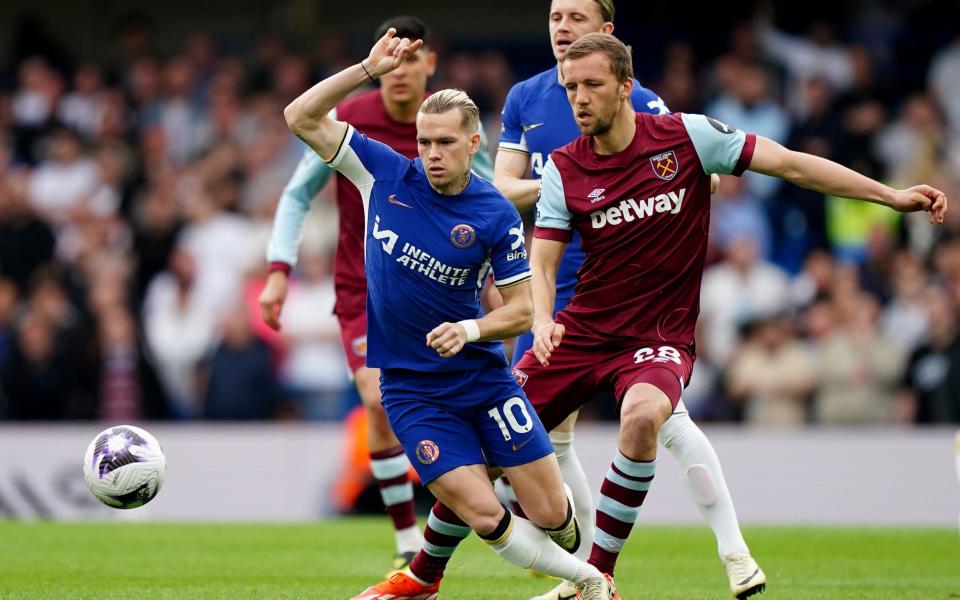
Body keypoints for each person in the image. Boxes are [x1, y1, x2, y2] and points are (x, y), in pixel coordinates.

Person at [519, 32, 945, 595]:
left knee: (645, 418)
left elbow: (791, 165)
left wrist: (888, 196)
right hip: (582, 330)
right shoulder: (562, 168)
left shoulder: (688, 137)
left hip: (656, 334)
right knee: (488, 448)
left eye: (592, 85)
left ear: (625, 87)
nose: (578, 98)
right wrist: (542, 319)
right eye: (571, 87)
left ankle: (597, 577)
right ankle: (426, 569)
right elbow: (542, 263)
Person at [283, 28, 618, 600]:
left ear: (473, 143)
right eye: (424, 141)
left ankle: (437, 576)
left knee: (553, 515)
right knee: (486, 515)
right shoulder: (384, 174)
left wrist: (470, 329)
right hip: (413, 390)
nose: (432, 154)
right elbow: (299, 116)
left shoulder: (493, 212)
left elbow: (520, 309)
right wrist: (366, 69)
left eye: (444, 142)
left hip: (484, 380)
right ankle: (592, 582)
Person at [494, 2, 765, 597]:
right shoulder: (526, 97)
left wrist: (601, 189)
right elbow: (501, 187)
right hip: (548, 281)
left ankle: (731, 549)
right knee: (547, 437)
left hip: (623, 279)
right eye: (554, 15)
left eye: (576, 16)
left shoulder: (640, 101)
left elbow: (705, 174)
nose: (562, 26)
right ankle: (588, 576)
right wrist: (570, 187)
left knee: (659, 419)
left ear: (607, 32)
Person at [259, 16, 493, 571]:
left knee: (467, 405)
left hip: (439, 293)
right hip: (363, 289)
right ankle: (407, 538)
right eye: (390, 55)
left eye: (412, 57)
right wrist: (277, 271)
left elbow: (488, 197)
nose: (400, 69)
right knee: (375, 399)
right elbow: (296, 196)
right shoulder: (350, 117)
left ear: (430, 65)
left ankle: (501, 506)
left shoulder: (448, 124)